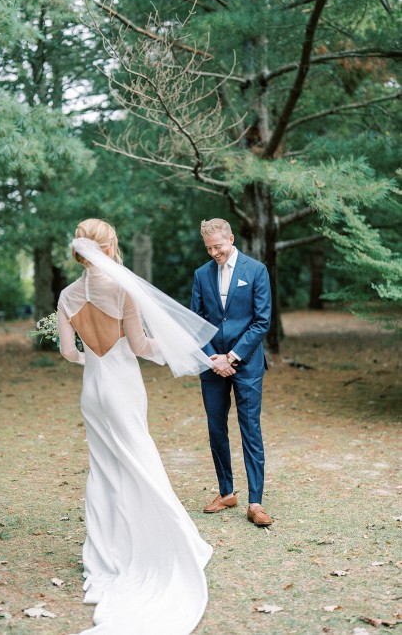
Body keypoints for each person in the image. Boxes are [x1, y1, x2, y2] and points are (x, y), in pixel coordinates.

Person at [57, 219, 217, 635]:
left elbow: (69, 354)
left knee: (103, 469)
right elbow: (142, 346)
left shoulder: (67, 295)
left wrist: (90, 356)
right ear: (110, 247)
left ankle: (104, 553)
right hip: (123, 388)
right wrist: (183, 347)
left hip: (93, 391)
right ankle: (165, 541)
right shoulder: (122, 289)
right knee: (141, 462)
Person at [190, 218, 273, 527]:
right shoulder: (201, 274)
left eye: (218, 246)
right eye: (208, 248)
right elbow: (197, 320)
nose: (214, 253)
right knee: (216, 428)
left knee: (250, 428)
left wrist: (233, 357)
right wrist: (215, 358)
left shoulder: (256, 270)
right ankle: (226, 492)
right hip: (212, 364)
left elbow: (262, 320)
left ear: (231, 239)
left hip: (247, 364)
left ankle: (255, 502)